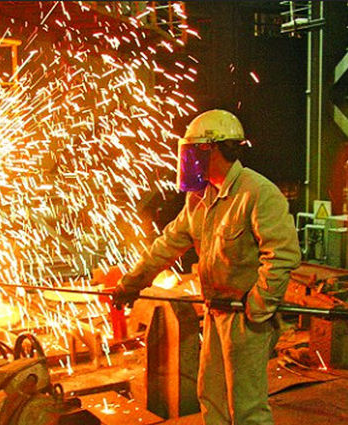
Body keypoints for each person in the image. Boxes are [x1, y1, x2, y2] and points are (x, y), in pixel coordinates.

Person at [113, 109, 301, 425]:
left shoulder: (257, 193)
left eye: (192, 151)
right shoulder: (200, 199)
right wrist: (131, 283)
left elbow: (282, 255)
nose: (188, 160)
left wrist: (258, 306)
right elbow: (166, 245)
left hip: (245, 318)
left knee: (246, 409)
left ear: (211, 148)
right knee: (211, 398)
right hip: (215, 313)